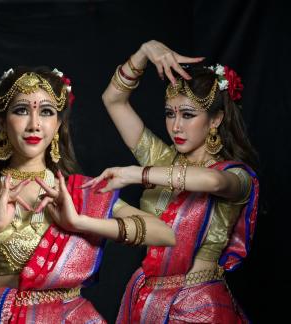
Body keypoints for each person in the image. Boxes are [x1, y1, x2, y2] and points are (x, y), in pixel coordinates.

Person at [0, 66, 175, 323]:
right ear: (2, 122)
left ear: (58, 123)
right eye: (22, 110)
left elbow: (165, 233)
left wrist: (79, 222)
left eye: (46, 112)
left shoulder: (79, 191)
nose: (34, 124)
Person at [89, 40, 259, 323]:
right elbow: (113, 100)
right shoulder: (161, 157)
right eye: (170, 113)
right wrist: (143, 53)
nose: (176, 126)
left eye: (188, 115)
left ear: (215, 119)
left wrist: (136, 173)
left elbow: (212, 181)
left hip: (199, 306)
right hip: (146, 301)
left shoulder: (237, 175)